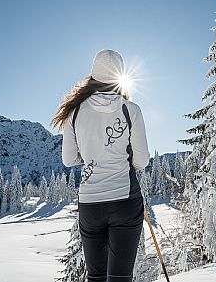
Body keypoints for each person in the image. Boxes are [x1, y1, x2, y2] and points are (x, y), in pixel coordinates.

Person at [51, 49, 150, 282]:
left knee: (96, 277)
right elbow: (142, 160)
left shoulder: (74, 114)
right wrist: (122, 160)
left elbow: (68, 160)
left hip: (90, 204)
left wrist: (91, 157)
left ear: (93, 75)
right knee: (120, 278)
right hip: (124, 200)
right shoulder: (130, 109)